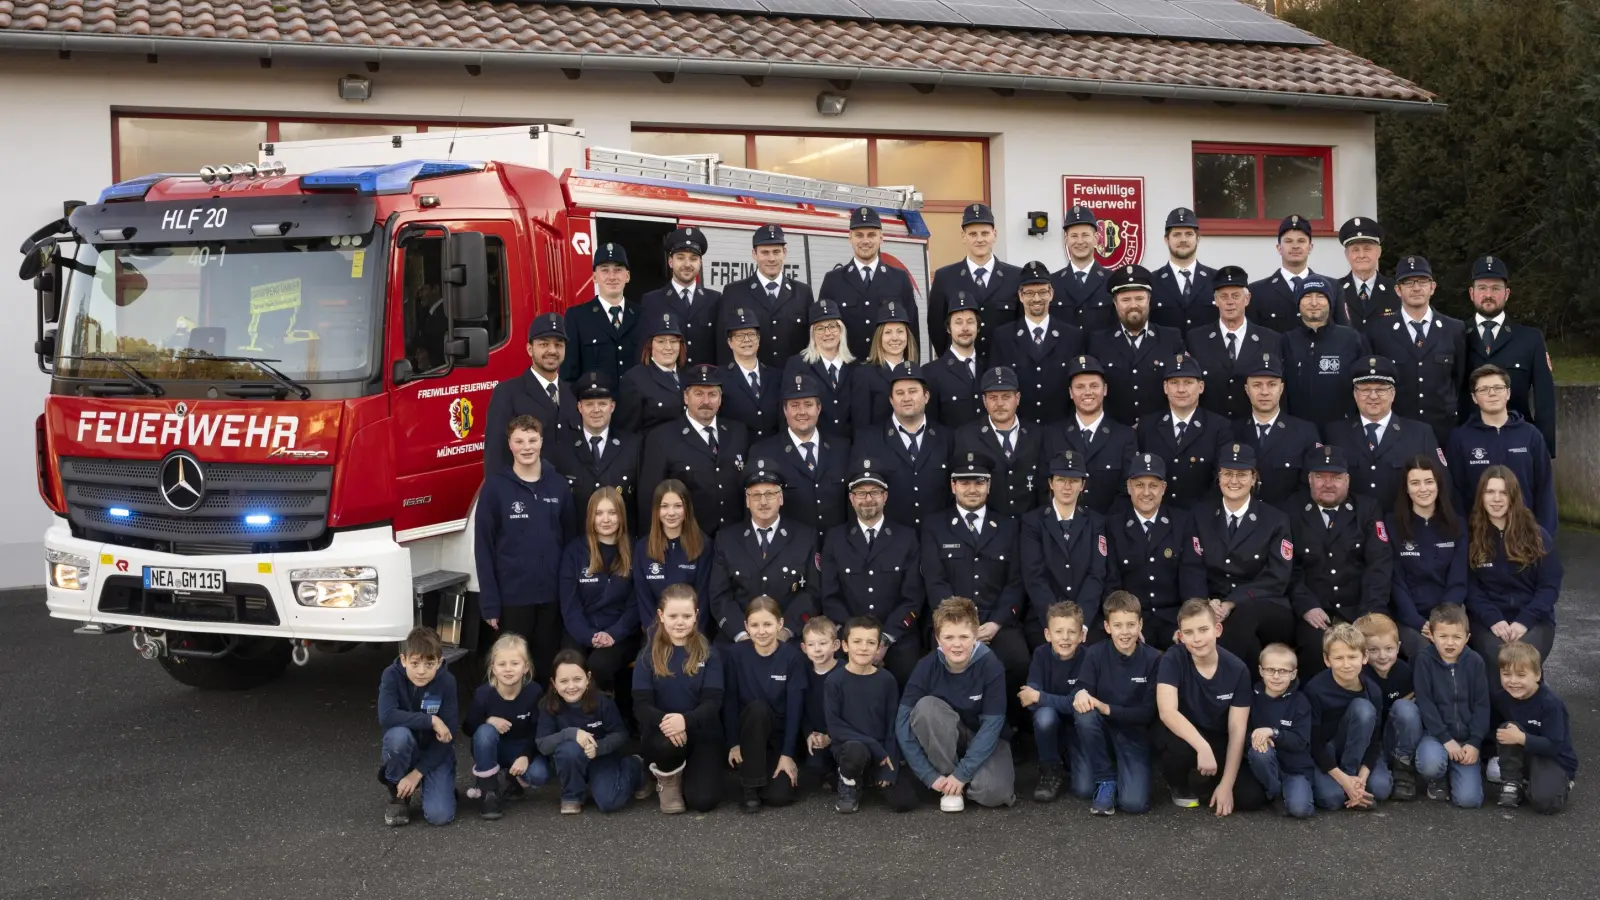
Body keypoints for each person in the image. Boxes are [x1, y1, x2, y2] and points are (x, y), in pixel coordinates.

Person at [474, 415, 577, 686]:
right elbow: (483, 548)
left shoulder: (558, 485)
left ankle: (543, 724)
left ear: (541, 441)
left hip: (551, 597)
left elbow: (571, 543)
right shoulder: (495, 489)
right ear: (510, 445)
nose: (527, 447)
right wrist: (490, 602)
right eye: (519, 441)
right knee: (512, 667)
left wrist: (569, 592)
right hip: (512, 598)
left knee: (545, 666)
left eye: (532, 440)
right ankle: (511, 721)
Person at [920, 452, 1028, 702]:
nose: (972, 489)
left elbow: (1015, 582)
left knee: (1019, 661)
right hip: (951, 621)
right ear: (953, 486)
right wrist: (962, 627)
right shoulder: (934, 526)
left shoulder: (1008, 527)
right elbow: (935, 582)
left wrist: (996, 623)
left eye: (979, 483)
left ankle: (1007, 728)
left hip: (996, 621)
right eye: (965, 483)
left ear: (988, 486)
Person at [896, 596, 1018, 812]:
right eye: (949, 637)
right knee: (926, 708)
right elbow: (903, 722)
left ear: (976, 635)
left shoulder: (991, 666)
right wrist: (928, 775)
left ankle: (958, 780)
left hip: (984, 739)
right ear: (937, 637)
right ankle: (948, 786)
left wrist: (963, 773)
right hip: (945, 740)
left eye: (964, 636)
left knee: (995, 794)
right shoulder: (926, 666)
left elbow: (992, 727)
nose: (957, 644)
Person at [1287, 446, 1393, 675]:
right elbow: (1288, 568)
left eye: (1335, 477)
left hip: (1359, 607)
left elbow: (1379, 565)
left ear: (1347, 479)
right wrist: (1306, 605)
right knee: (1315, 652)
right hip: (1316, 611)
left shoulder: (1367, 509)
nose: (1328, 484)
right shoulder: (1290, 512)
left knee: (1373, 650)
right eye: (1320, 477)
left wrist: (1369, 614)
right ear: (1309, 479)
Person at [819, 459, 926, 686]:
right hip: (849, 637)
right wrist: (859, 641)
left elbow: (913, 597)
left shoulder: (906, 538)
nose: (868, 499)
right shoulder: (835, 538)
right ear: (851, 498)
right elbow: (830, 596)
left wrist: (884, 639)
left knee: (910, 681)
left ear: (885, 496)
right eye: (860, 493)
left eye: (875, 492)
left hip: (896, 636)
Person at [1156, 599, 1268, 815]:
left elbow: (1237, 729)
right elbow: (1167, 712)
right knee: (1175, 748)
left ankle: (1208, 783)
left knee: (1250, 797)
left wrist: (1226, 784)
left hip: (1219, 736)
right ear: (1180, 636)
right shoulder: (1173, 658)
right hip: (1185, 734)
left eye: (1203, 630)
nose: (1196, 639)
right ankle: (1178, 783)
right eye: (1188, 632)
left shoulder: (1238, 669)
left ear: (1217, 629)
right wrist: (1202, 747)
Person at [1193, 443, 1296, 669]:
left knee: (1244, 612)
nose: (1234, 481)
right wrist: (1205, 604)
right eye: (1227, 473)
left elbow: (1277, 577)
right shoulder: (1200, 515)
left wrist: (1232, 601)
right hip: (1215, 604)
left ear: (1253, 478)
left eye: (1241, 474)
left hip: (1267, 605)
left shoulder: (1275, 519)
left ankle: (1217, 679)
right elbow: (1193, 567)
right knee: (1249, 647)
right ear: (1218, 477)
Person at [633, 584, 726, 814]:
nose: (680, 622)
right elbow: (641, 706)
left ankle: (693, 772)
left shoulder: (709, 653)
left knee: (703, 801)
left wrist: (685, 721)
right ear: (661, 616)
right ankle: (669, 778)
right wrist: (669, 723)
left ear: (696, 616)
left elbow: (713, 702)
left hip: (702, 732)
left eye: (686, 615)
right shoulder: (648, 655)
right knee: (666, 745)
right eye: (673, 616)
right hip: (662, 734)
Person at [707, 459, 821, 643]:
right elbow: (720, 595)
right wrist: (741, 634)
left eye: (770, 494)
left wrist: (786, 631)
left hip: (788, 641)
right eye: (755, 495)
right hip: (738, 641)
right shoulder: (726, 539)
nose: (763, 502)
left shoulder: (805, 537)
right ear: (747, 501)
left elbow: (812, 593)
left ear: (781, 498)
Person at [1071, 591, 1162, 815]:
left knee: (1134, 804)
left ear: (1140, 625)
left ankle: (1123, 768)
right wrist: (1080, 693)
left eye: (1131, 624)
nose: (1125, 632)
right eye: (1118, 625)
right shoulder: (1095, 654)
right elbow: (1082, 686)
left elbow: (1147, 713)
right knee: (1082, 789)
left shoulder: (1154, 659)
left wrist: (1106, 707)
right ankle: (1106, 779)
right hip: (1099, 732)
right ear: (1107, 626)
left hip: (1133, 734)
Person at [1104, 453, 1207, 650]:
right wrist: (1126, 626)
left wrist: (1188, 625)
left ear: (1163, 488)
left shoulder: (1182, 522)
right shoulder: (1114, 525)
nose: (1146, 492)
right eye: (1139, 485)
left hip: (1174, 619)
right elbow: (1111, 581)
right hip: (1133, 620)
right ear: (1129, 487)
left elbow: (1192, 577)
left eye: (1153, 485)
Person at [1364, 256, 1467, 446]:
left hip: (1444, 430)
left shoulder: (1454, 329)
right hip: (1398, 429)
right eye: (1408, 282)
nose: (1416, 288)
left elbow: (1458, 379)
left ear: (1433, 287)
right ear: (1398, 290)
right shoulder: (1379, 331)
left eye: (1422, 281)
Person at [1465, 466, 1562, 668]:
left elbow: (1549, 587)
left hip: (1534, 620)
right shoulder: (1470, 538)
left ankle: (1537, 696)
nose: (1497, 499)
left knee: (1522, 663)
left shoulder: (1537, 536)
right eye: (1490, 492)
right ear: (1481, 497)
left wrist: (1524, 620)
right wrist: (1493, 619)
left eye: (1504, 492)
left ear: (1514, 497)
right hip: (1488, 621)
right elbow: (1470, 588)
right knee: (1498, 662)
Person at [637, 364, 750, 537]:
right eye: (698, 394)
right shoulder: (662, 437)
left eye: (712, 394)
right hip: (687, 543)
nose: (706, 401)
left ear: (720, 399)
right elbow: (650, 498)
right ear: (686, 397)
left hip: (734, 542)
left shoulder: (738, 433)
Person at [1462, 255, 1557, 456]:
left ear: (1506, 293)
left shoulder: (1530, 339)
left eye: (1495, 288)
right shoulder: (1455, 335)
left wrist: (1545, 451)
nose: (1488, 294)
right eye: (1482, 288)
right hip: (1469, 444)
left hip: (1519, 444)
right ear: (1472, 293)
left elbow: (1545, 400)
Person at [721, 596, 809, 812]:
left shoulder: (792, 657)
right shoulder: (735, 655)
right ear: (746, 627)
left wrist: (787, 754)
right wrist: (733, 743)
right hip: (748, 734)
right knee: (758, 709)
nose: (761, 631)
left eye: (768, 624)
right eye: (755, 625)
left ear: (780, 625)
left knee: (779, 796)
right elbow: (730, 700)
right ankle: (750, 786)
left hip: (777, 736)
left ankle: (759, 774)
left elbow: (795, 709)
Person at [1448, 364, 1557, 534]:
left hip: (1525, 532)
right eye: (1483, 389)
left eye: (1498, 387)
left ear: (1508, 393)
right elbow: (1455, 492)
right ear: (1474, 398)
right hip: (1479, 535)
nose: (1492, 393)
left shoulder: (1531, 435)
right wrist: (1463, 535)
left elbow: (1544, 488)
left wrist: (1544, 534)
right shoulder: (1460, 438)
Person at [827, 616, 920, 813]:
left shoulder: (887, 680)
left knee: (905, 802)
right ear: (844, 645)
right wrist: (874, 746)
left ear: (878, 648)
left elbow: (892, 724)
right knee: (855, 750)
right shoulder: (834, 681)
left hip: (882, 754)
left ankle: (870, 779)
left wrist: (890, 762)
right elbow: (835, 727)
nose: (863, 648)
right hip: (851, 748)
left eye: (870, 643)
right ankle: (849, 781)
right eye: (857, 642)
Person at [536, 650, 646, 814]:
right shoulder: (548, 705)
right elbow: (543, 744)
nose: (571, 686)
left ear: (588, 678)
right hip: (570, 760)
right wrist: (572, 733)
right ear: (554, 683)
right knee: (568, 750)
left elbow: (621, 734)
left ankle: (634, 766)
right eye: (564, 681)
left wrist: (599, 748)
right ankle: (572, 795)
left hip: (601, 757)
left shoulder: (602, 701)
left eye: (577, 679)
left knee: (609, 802)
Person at [1324, 355, 1442, 507]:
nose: (1373, 396)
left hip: (1403, 524)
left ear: (1392, 394)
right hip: (1353, 525)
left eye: (1381, 390)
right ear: (1355, 394)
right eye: (1365, 390)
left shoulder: (1420, 434)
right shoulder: (1335, 434)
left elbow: (1441, 483)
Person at [1020, 449, 1111, 643]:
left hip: (1087, 618)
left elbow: (1096, 574)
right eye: (1061, 480)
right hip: (1044, 617)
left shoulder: (1096, 522)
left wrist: (1081, 622)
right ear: (1051, 483)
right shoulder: (1032, 522)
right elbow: (1034, 576)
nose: (1067, 487)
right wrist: (1057, 623)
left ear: (1083, 485)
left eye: (1074, 480)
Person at [559, 487, 640, 701]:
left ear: (621, 516)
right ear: (591, 517)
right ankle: (572, 721)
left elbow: (635, 605)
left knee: (599, 665)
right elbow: (570, 606)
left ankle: (606, 716)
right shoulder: (575, 551)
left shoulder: (635, 549)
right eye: (599, 513)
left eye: (612, 513)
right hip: (582, 629)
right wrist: (589, 636)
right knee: (568, 666)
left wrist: (613, 634)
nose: (606, 519)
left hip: (621, 633)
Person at [850, 362, 953, 528]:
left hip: (937, 539)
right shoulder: (868, 439)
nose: (906, 398)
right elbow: (857, 496)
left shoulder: (947, 438)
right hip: (890, 543)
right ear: (891, 400)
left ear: (926, 397)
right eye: (899, 393)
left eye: (913, 391)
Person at [1386, 454, 1468, 660]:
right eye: (1415, 483)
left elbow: (1458, 580)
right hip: (1409, 618)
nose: (1423, 489)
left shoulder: (1457, 526)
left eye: (1429, 482)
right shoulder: (1391, 525)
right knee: (1426, 654)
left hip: (1448, 617)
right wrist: (1416, 621)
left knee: (1467, 657)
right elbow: (1396, 581)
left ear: (1438, 485)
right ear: (1406, 488)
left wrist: (1441, 622)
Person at [750, 373, 852, 534]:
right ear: (785, 410)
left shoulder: (842, 448)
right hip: (789, 551)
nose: (802, 412)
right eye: (795, 405)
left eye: (808, 404)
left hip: (835, 549)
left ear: (819, 408)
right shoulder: (764, 452)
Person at [465, 633, 552, 820]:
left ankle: (515, 779)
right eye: (502, 664)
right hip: (492, 747)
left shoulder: (534, 691)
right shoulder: (484, 694)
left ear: (526, 667)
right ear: (493, 668)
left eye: (515, 663)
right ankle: (489, 790)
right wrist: (488, 720)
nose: (508, 669)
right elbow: (468, 727)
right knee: (485, 732)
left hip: (519, 747)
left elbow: (539, 730)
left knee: (540, 774)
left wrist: (525, 756)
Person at [1303, 624, 1390, 810]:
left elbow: (1375, 740)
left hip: (1360, 751)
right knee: (1331, 800)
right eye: (1338, 658)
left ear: (1364, 657)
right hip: (1328, 751)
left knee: (1381, 789)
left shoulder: (1372, 690)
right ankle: (1347, 786)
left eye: (1352, 657)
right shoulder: (1315, 690)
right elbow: (1314, 743)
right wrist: (1343, 780)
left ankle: (1353, 784)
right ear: (1327, 660)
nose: (1346, 664)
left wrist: (1361, 777)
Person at [378, 626, 458, 827]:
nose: (421, 671)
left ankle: (433, 783)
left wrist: (417, 774)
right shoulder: (391, 675)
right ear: (404, 660)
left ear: (439, 663)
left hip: (435, 751)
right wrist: (430, 720)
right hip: (406, 746)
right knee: (398, 738)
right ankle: (398, 791)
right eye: (415, 663)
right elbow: (386, 716)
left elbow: (449, 736)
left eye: (429, 664)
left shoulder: (447, 682)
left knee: (439, 816)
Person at [988, 261, 1086, 425]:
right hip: (1020, 429)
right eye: (1029, 293)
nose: (1036, 299)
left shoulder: (1072, 336)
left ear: (1051, 293)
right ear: (1020, 296)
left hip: (1060, 427)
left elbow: (1079, 384)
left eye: (1042, 292)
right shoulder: (1003, 336)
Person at [1412, 603, 1490, 807]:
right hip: (1436, 736)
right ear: (1431, 635)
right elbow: (1425, 702)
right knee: (1431, 764)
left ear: (1467, 637)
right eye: (1443, 636)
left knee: (1469, 801)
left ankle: (1461, 768)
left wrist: (1475, 742)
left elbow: (1482, 705)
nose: (1450, 643)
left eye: (1457, 637)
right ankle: (1436, 778)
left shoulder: (1475, 662)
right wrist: (1445, 739)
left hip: (1466, 740)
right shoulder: (1424, 660)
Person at [819, 206, 920, 361]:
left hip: (888, 375)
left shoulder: (899, 279)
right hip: (848, 375)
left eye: (871, 235)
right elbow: (822, 333)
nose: (865, 241)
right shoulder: (833, 281)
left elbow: (912, 332)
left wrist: (911, 373)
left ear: (881, 237)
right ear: (850, 238)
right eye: (859, 235)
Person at [484, 313, 581, 472]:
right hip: (527, 492)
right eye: (544, 344)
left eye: (559, 345)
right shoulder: (507, 393)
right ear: (530, 349)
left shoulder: (573, 393)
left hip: (568, 494)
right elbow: (496, 455)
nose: (552, 350)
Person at [1043, 354, 1138, 514]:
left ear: (1105, 389)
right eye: (1080, 387)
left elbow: (1128, 489)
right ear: (1071, 392)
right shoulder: (1052, 434)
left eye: (1094, 386)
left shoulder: (1125, 436)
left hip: (1109, 528)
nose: (1088, 392)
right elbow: (1044, 487)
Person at [1136, 352, 1232, 510]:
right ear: (1165, 387)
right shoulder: (1148, 425)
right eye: (1174, 382)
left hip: (1202, 517)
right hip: (1158, 515)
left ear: (1200, 387)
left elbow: (1220, 478)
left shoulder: (1219, 427)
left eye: (1188, 382)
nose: (1181, 389)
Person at [1095, 265, 1187, 426]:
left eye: (1139, 298)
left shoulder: (1171, 338)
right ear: (1115, 304)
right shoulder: (1098, 341)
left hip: (1161, 432)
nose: (1133, 305)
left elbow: (1181, 387)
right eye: (1125, 300)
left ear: (1149, 300)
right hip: (1113, 434)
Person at [928, 203, 1022, 361]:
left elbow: (1021, 326)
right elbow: (937, 328)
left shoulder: (1015, 277)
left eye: (985, 233)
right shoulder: (945, 277)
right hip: (960, 368)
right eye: (973, 234)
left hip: (1003, 367)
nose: (980, 239)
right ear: (963, 236)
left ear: (995, 235)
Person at [1186, 265, 1281, 422]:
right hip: (1210, 428)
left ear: (1247, 299)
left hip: (1252, 428)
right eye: (1224, 297)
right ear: (1216, 301)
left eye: (1236, 296)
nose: (1230, 302)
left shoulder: (1270, 339)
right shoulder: (1196, 339)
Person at [1492, 641, 1578, 813]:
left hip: (1554, 759)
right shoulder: (1501, 698)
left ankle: (1562, 783)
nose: (1513, 681)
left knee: (1545, 803)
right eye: (1506, 674)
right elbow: (1493, 729)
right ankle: (1512, 783)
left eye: (1521, 675)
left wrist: (1521, 738)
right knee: (1508, 727)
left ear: (1537, 675)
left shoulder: (1551, 704)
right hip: (1525, 755)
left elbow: (1555, 746)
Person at [1232, 351, 1321, 513]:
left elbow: (1310, 486)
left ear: (1281, 388)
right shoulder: (1232, 431)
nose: (1264, 392)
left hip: (1288, 521)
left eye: (1271, 385)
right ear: (1247, 389)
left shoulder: (1305, 432)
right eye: (1257, 385)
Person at [1020, 601, 1088, 803]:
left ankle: (1071, 759)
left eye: (1071, 632)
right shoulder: (1041, 655)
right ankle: (1050, 769)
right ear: (1048, 635)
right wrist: (1040, 699)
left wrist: (1041, 697)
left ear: (1081, 635)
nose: (1065, 638)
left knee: (1084, 789)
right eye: (1058, 632)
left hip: (1079, 728)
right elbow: (1028, 700)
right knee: (1044, 716)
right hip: (1052, 726)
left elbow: (1074, 703)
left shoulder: (1088, 658)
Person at [718, 224, 814, 369]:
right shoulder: (734, 292)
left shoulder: (803, 292)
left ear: (784, 253)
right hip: (752, 384)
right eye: (765, 252)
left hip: (794, 382)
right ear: (754, 254)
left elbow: (811, 343)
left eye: (776, 252)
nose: (771, 258)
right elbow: (723, 343)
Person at [548, 372, 643, 518]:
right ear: (579, 407)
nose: (596, 410)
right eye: (589, 404)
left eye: (602, 404)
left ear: (612, 406)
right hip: (577, 538)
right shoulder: (563, 448)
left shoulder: (633, 446)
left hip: (622, 538)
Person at [954, 367, 1046, 517]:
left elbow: (1044, 486)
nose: (1000, 403)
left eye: (1006, 396)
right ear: (984, 401)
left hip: (1030, 526)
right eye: (993, 397)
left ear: (1017, 398)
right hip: (988, 529)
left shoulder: (1037, 434)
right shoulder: (966, 436)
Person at [1281, 275, 1368, 431]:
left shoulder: (1351, 339)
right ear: (1298, 302)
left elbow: (1366, 384)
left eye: (1320, 296)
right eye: (1307, 296)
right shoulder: (1286, 341)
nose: (1314, 303)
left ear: (1330, 302)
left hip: (1344, 431)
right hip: (1298, 432)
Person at [1355, 612, 1422, 802]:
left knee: (1405, 708)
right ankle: (1372, 769)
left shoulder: (1404, 672)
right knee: (1379, 790)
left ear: (1398, 647)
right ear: (1363, 652)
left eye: (1389, 648)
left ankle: (1404, 769)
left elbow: (1409, 713)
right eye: (1373, 650)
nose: (1382, 656)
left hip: (1395, 738)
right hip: (1370, 742)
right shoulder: (1360, 675)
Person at [631, 480, 713, 633]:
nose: (671, 513)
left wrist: (691, 637)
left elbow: (703, 599)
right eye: (664, 506)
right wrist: (657, 639)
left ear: (687, 509)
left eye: (677, 506)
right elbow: (644, 600)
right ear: (656, 510)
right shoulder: (643, 548)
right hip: (656, 636)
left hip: (693, 635)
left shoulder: (704, 545)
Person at [1247, 643, 1315, 818]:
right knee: (1260, 750)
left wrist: (1274, 733)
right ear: (1261, 671)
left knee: (1300, 810)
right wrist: (1257, 738)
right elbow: (1239, 731)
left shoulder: (1300, 701)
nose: (1276, 676)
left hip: (1295, 768)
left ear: (1293, 674)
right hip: (1265, 761)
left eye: (1283, 671)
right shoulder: (1250, 697)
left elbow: (1301, 741)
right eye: (1270, 670)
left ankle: (1294, 790)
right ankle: (1275, 792)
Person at [639, 226, 721, 367]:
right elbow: (645, 351)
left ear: (700, 263)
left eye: (693, 258)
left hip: (704, 385)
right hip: (667, 385)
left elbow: (721, 348)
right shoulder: (651, 301)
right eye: (681, 258)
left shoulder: (715, 300)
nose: (687, 264)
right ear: (671, 262)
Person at [562, 242, 641, 385]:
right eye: (605, 270)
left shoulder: (642, 315)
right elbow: (568, 376)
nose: (612, 277)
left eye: (618, 270)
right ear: (594, 277)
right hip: (597, 406)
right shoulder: (576, 317)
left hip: (637, 406)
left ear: (627, 276)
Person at [782, 299, 856, 440]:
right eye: (820, 328)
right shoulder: (797, 365)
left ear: (841, 330)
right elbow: (785, 410)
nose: (827, 333)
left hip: (849, 446)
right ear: (812, 334)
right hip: (814, 447)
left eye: (832, 326)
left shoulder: (855, 366)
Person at [1247, 214, 1324, 335]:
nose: (1295, 246)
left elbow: (1342, 336)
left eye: (1301, 241)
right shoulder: (1257, 292)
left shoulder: (1331, 288)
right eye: (1288, 241)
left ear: (1310, 247)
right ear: (1279, 248)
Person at [615, 310, 687, 434]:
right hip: (653, 451)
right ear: (650, 345)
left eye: (674, 341)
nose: (668, 347)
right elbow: (627, 432)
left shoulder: (690, 375)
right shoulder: (634, 379)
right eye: (661, 341)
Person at [1149, 207, 1218, 335]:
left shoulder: (1216, 279)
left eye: (1189, 234)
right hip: (1167, 354)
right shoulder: (1152, 281)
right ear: (1166, 240)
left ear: (1198, 238)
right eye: (1176, 234)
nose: (1183, 240)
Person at [850, 301, 919, 428]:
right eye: (888, 332)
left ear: (907, 336)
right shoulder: (864, 375)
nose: (895, 338)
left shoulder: (919, 373)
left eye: (900, 331)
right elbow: (861, 427)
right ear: (879, 337)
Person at [924, 290, 986, 430]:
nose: (965, 328)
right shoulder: (931, 373)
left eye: (970, 322)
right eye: (958, 322)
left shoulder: (989, 367)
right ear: (948, 328)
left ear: (978, 327)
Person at [719, 305, 782, 441]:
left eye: (751, 334)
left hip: (773, 453)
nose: (746, 340)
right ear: (730, 342)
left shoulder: (777, 376)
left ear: (758, 339)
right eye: (740, 335)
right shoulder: (719, 377)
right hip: (737, 452)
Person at [1051, 205, 1115, 332]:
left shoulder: (1112, 281)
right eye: (1074, 236)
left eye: (1085, 235)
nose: (1080, 241)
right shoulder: (1052, 282)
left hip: (1099, 351)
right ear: (1066, 240)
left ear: (1096, 239)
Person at [798, 616, 840, 792]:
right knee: (807, 782)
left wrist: (830, 736)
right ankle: (826, 771)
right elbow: (802, 709)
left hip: (840, 738)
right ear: (804, 648)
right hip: (816, 738)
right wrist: (809, 733)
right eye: (811, 645)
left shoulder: (844, 672)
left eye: (822, 643)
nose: (817, 649)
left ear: (835, 645)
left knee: (842, 783)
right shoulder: (803, 673)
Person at [1333, 217, 1398, 330]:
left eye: (1367, 249)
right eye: (1355, 250)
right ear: (1347, 254)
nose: (1361, 255)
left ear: (1379, 252)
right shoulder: (1334, 291)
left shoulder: (1396, 291)